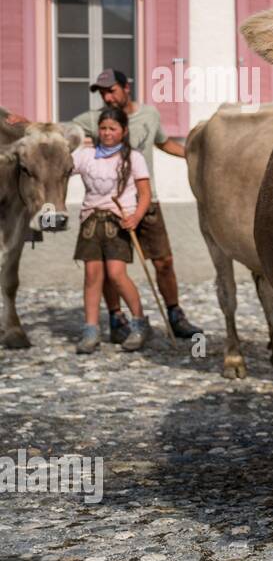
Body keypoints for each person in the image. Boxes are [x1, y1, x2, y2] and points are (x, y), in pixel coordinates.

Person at [74, 70, 201, 342]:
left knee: (164, 260)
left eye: (111, 90)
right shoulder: (94, 120)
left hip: (146, 200)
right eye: (102, 93)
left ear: (126, 88)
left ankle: (175, 314)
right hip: (111, 208)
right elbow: (63, 134)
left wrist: (194, 155)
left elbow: (163, 142)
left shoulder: (150, 115)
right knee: (111, 267)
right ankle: (116, 318)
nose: (107, 97)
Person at [70, 106, 152, 354]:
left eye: (112, 129)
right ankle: (91, 330)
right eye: (103, 128)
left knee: (116, 274)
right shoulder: (86, 155)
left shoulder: (133, 158)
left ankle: (139, 323)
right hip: (91, 223)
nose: (106, 133)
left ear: (123, 131)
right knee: (92, 276)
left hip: (118, 223)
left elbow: (145, 193)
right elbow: (59, 168)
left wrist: (136, 217)